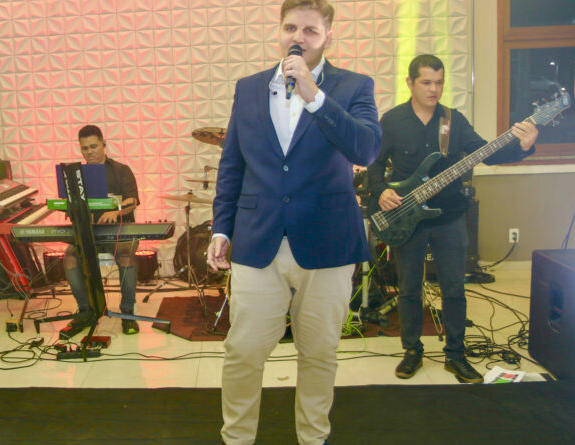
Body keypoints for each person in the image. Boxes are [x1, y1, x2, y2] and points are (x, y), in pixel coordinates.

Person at [206, 1, 381, 443]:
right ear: (279, 31)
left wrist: (314, 95)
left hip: (328, 241)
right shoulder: (249, 88)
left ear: (328, 36)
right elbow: (233, 165)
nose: (298, 38)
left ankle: (313, 437)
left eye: (310, 30)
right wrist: (222, 227)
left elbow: (366, 150)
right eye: (290, 28)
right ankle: (237, 438)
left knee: (319, 353)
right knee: (243, 350)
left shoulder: (354, 86)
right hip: (257, 239)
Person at [367, 54, 538, 383]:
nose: (434, 89)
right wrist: (380, 191)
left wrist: (522, 148)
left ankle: (455, 355)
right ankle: (412, 350)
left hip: (449, 217)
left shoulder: (453, 120)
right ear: (410, 83)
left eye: (439, 83)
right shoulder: (393, 120)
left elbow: (486, 152)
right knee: (409, 289)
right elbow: (373, 163)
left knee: (454, 289)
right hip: (406, 217)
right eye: (426, 82)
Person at [59, 124, 141, 339]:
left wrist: (116, 211)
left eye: (94, 146)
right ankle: (85, 311)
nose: (90, 152)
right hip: (89, 233)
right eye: (84, 148)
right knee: (70, 257)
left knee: (126, 255)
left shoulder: (121, 170)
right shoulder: (75, 176)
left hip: (119, 231)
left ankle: (127, 312)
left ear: (104, 145)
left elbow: (133, 201)